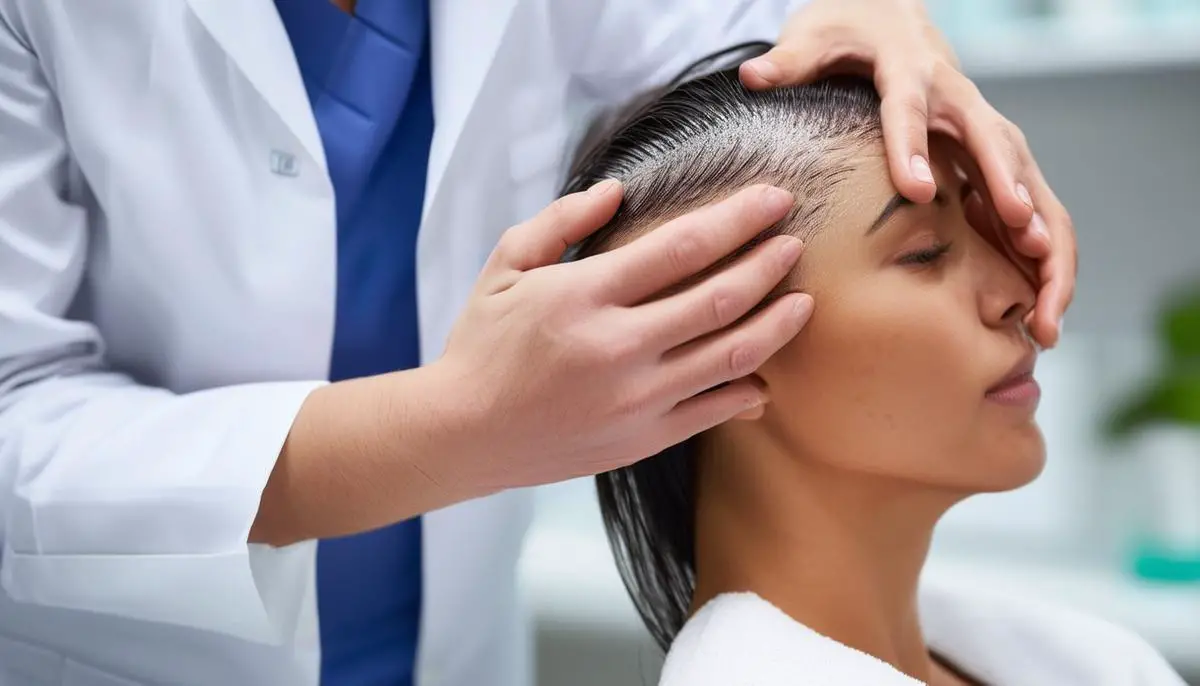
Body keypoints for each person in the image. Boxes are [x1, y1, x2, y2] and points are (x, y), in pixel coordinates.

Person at [0, 1, 1076, 685]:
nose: (1013, 296)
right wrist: (455, 423)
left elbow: (758, 62)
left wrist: (869, 16)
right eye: (928, 253)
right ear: (725, 341)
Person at [571, 46, 1180, 686]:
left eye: (988, 227)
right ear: (713, 348)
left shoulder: (1099, 662)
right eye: (927, 252)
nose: (1018, 292)